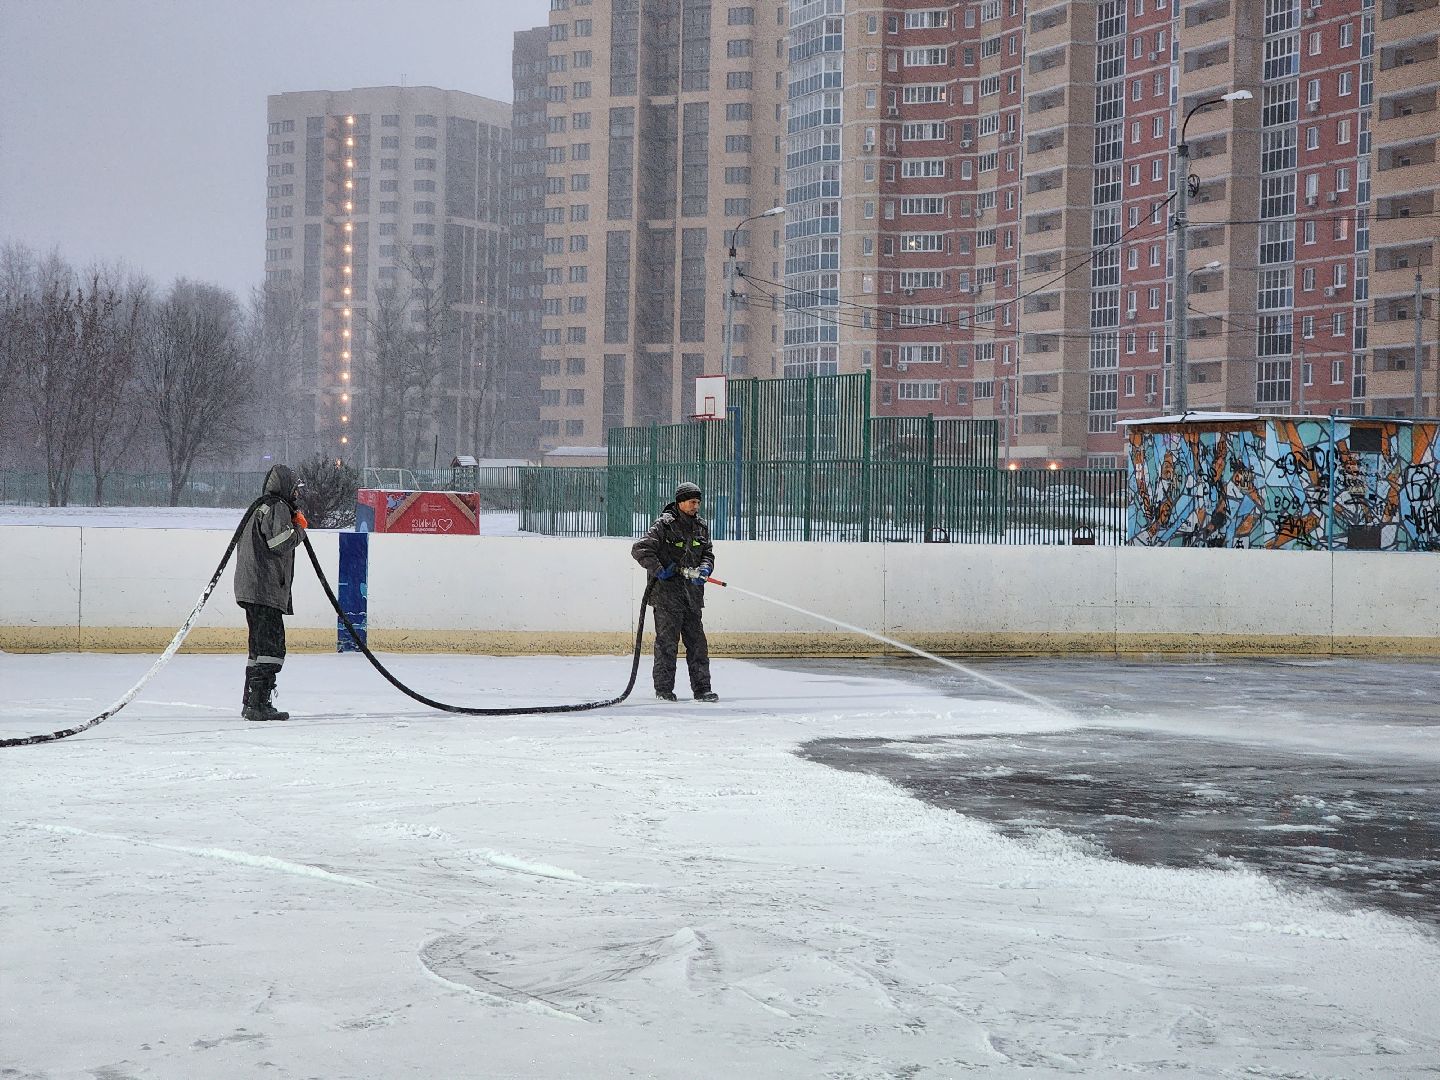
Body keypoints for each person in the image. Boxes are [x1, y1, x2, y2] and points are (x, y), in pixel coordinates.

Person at [631, 481, 719, 702]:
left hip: (692, 597)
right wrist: (660, 570)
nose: (695, 506)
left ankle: (702, 689)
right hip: (667, 597)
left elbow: (707, 553)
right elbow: (640, 549)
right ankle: (664, 690)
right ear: (680, 502)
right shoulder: (664, 525)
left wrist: (706, 567)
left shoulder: (701, 527)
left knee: (697, 644)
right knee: (667, 644)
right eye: (692, 502)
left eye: (698, 502)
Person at [234, 464, 307, 721]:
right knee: (272, 648)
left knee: (258, 649)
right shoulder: (277, 507)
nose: (297, 495)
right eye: (295, 490)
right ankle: (258, 703)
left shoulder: (261, 506)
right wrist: (298, 530)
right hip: (264, 589)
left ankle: (251, 700)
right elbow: (279, 542)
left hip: (253, 589)